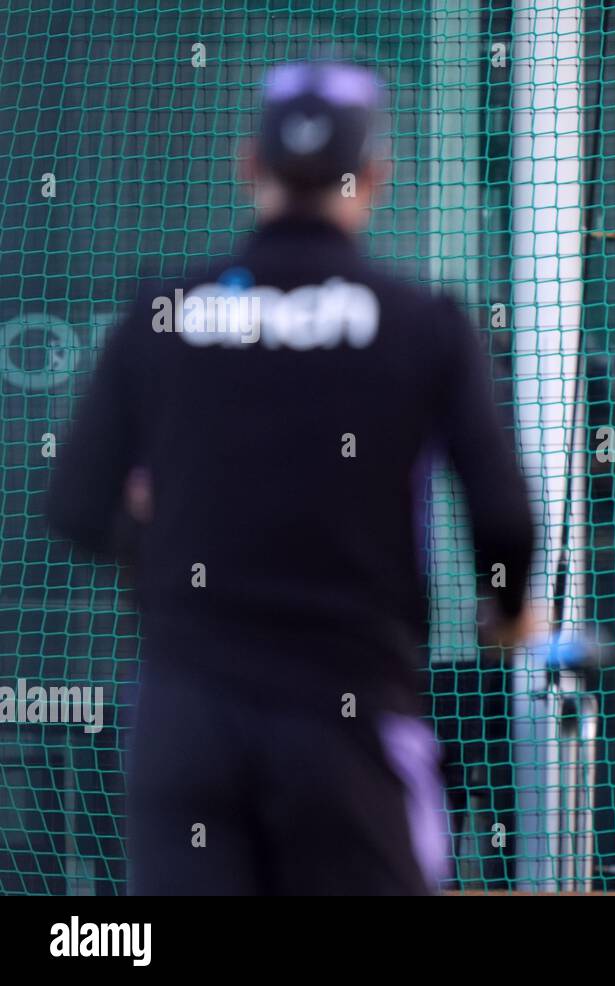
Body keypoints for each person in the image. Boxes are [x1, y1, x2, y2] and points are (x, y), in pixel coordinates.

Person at [45, 60, 535, 894]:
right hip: (347, 720)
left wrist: (158, 553)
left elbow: (77, 504)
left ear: (250, 166)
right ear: (376, 176)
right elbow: (503, 516)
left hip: (187, 718)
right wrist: (509, 613)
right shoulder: (422, 323)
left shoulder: (166, 310)